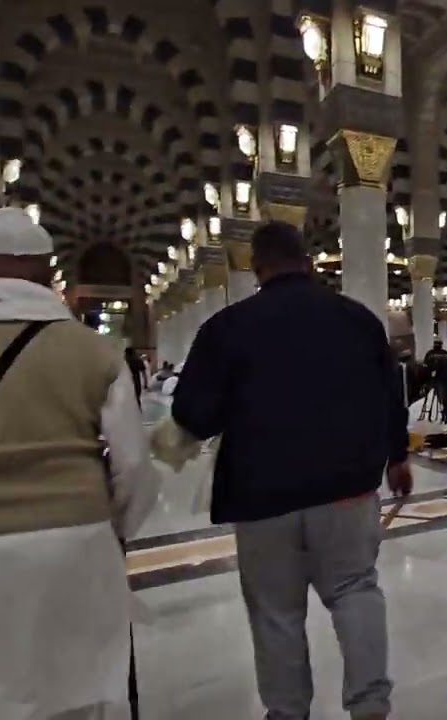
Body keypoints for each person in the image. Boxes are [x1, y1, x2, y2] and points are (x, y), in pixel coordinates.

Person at [170, 221, 411, 720]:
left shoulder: (227, 328)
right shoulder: (357, 319)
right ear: (308, 261)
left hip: (263, 497)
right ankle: (370, 706)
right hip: (347, 489)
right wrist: (397, 457)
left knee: (276, 613)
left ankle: (287, 712)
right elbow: (391, 395)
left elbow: (193, 414)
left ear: (257, 268)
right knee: (355, 592)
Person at [0, 207, 159, 720]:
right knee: (73, 692)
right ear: (50, 272)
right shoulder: (92, 352)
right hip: (73, 545)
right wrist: (108, 527)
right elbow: (134, 467)